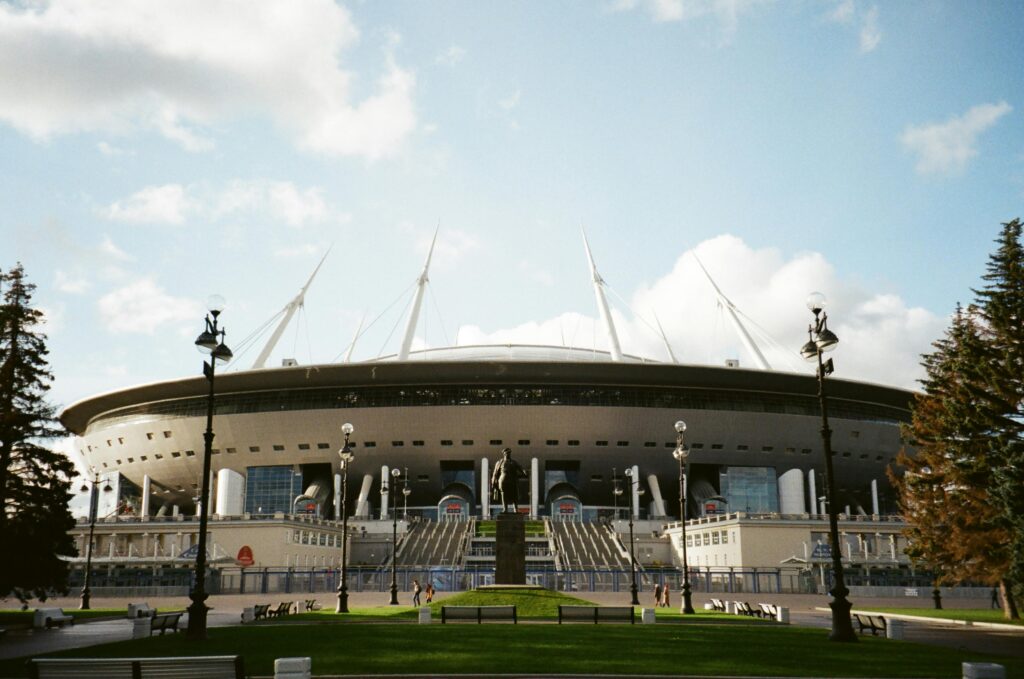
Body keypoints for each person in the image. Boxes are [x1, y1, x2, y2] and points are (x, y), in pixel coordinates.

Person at [490, 448, 528, 513]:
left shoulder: (514, 462)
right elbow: (495, 473)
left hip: (512, 480)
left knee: (515, 494)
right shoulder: (500, 462)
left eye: (509, 453)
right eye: (507, 453)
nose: (508, 454)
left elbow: (520, 468)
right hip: (503, 480)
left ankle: (515, 509)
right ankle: (505, 509)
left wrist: (524, 471)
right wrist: (493, 482)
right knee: (503, 494)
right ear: (504, 454)